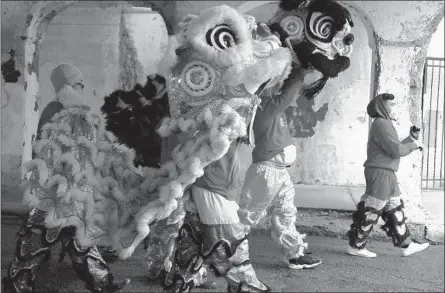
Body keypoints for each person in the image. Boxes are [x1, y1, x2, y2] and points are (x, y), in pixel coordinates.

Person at [3, 63, 130, 293]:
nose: (82, 87)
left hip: (72, 191)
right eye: (79, 83)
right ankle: (17, 283)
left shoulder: (70, 111)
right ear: (72, 84)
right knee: (34, 238)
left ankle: (103, 283)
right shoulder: (58, 110)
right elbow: (48, 152)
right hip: (52, 192)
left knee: (81, 240)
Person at [238, 66, 323, 270]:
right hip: (266, 172)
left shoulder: (271, 106)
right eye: (272, 81)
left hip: (279, 171)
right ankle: (227, 253)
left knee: (285, 212)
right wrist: (300, 71)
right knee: (247, 216)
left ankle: (294, 254)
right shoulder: (264, 107)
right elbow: (288, 94)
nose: (276, 83)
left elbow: (285, 94)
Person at [347, 93, 429, 258]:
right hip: (380, 172)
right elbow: (396, 150)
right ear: (382, 107)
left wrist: (411, 139)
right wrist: (414, 145)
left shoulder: (384, 123)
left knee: (394, 209)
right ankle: (356, 246)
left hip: (387, 172)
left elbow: (394, 148)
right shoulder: (382, 124)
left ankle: (407, 244)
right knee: (372, 209)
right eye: (391, 105)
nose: (394, 108)